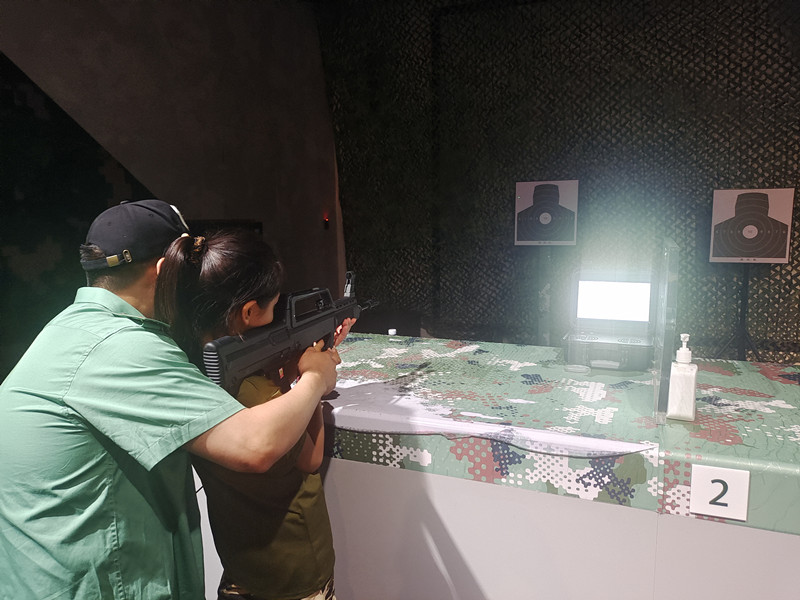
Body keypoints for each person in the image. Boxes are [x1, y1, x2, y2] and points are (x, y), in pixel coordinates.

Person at [0, 199, 341, 600]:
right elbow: (255, 446)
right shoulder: (123, 347)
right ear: (165, 270)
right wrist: (316, 376)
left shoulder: (72, 329)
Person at [155, 230, 352, 600]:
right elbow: (310, 458)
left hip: (240, 565)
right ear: (248, 312)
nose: (277, 318)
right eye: (274, 309)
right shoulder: (258, 393)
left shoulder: (184, 374)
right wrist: (314, 378)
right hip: (293, 569)